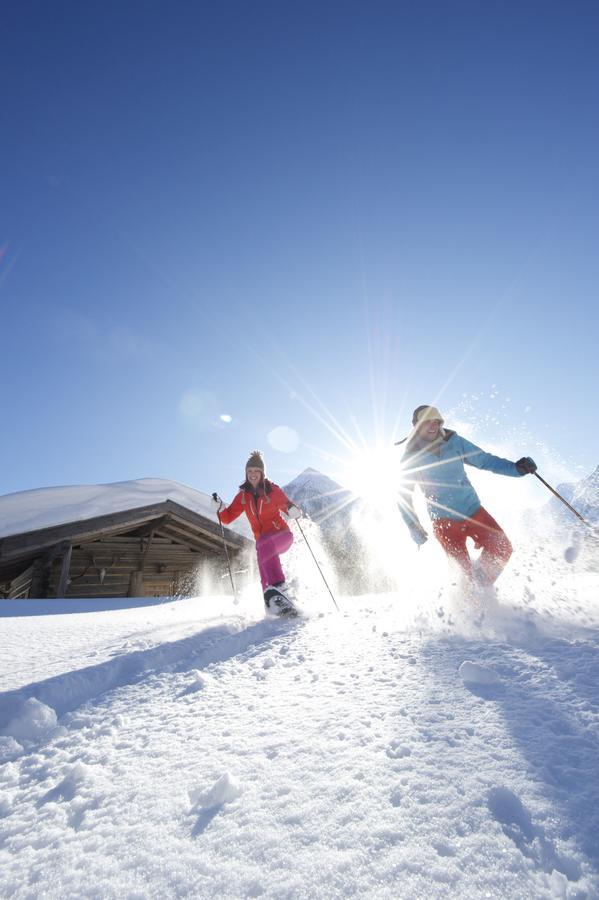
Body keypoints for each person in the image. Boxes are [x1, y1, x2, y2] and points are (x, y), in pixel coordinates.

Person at [398, 405, 537, 586]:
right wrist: (412, 525)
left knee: (502, 548)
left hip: (473, 511)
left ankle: (480, 585)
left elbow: (484, 460)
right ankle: (469, 596)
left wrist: (516, 469)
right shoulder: (411, 456)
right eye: (427, 422)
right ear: (416, 426)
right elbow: (403, 495)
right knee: (463, 576)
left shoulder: (453, 442)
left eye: (436, 421)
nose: (433, 425)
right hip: (444, 522)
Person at [212, 450, 302, 614]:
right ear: (246, 473)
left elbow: (288, 506)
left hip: (282, 536)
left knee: (264, 542)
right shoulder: (243, 497)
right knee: (263, 571)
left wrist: (294, 510)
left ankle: (280, 588)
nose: (253, 474)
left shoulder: (272, 490)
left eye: (256, 471)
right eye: (249, 471)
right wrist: (220, 509)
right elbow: (227, 517)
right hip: (263, 544)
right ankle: (273, 607)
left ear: (262, 473)